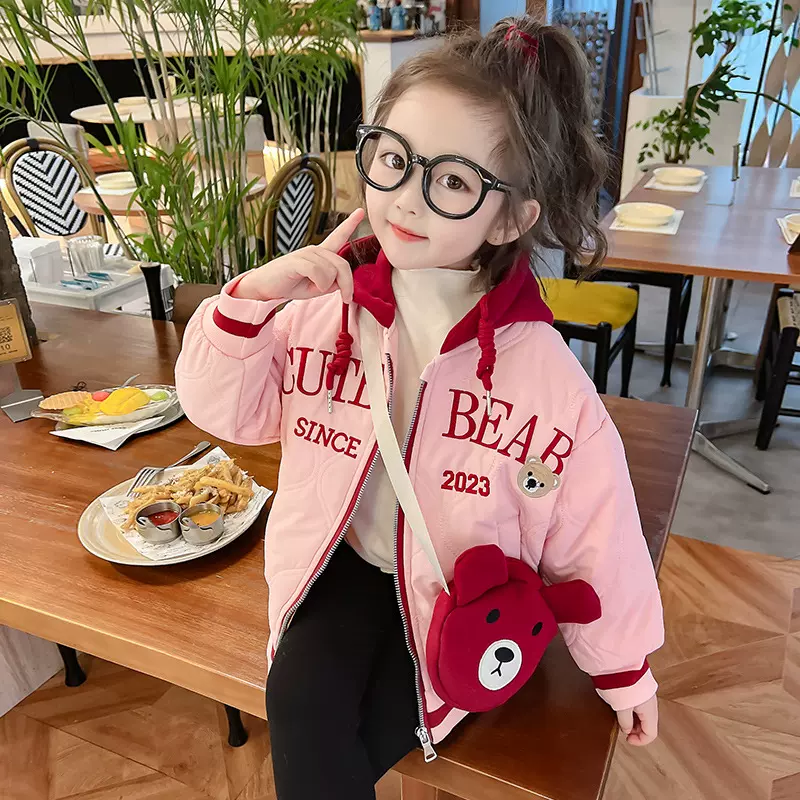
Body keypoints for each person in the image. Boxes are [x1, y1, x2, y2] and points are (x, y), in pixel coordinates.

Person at [175, 15, 664, 800]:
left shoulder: (542, 376)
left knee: (361, 734)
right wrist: (249, 302)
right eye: (395, 160)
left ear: (511, 218)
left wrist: (623, 666)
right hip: (339, 562)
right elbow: (227, 412)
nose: (406, 199)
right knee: (298, 703)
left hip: (458, 592)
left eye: (454, 181)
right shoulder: (323, 309)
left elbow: (595, 530)